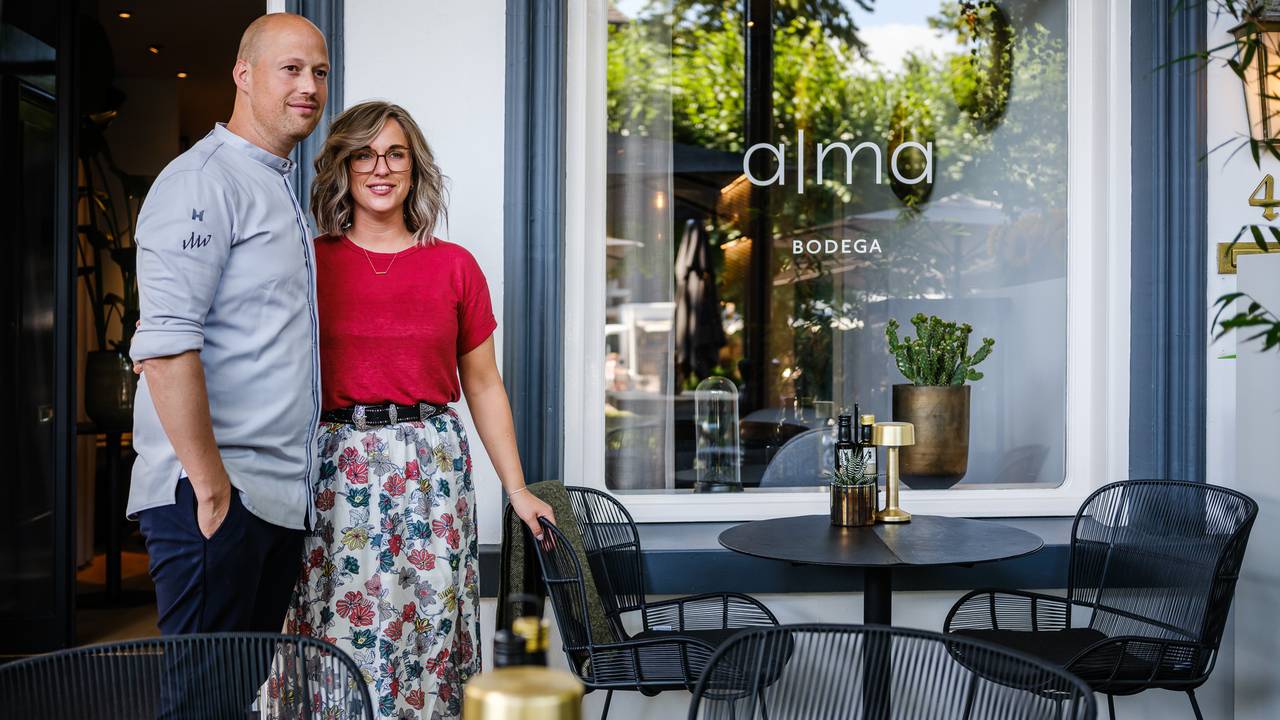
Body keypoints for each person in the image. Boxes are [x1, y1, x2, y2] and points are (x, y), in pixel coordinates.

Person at [285, 101, 555, 719]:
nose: (380, 168)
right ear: (343, 168)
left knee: (428, 630)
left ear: (415, 167)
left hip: (431, 472)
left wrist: (516, 488)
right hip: (336, 471)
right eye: (364, 154)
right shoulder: (307, 261)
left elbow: (483, 384)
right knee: (337, 630)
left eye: (395, 153)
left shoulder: (454, 266)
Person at [128, 12, 329, 639]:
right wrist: (213, 493)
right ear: (243, 75)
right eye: (291, 69)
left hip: (270, 501)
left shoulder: (275, 184)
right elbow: (164, 349)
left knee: (236, 697)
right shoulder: (202, 179)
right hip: (216, 499)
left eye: (320, 72)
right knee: (201, 703)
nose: (310, 87)